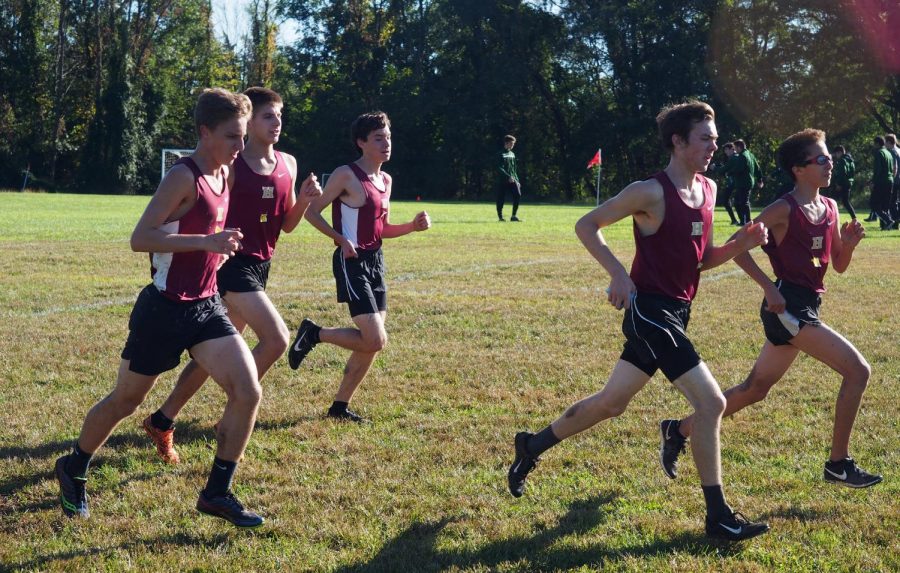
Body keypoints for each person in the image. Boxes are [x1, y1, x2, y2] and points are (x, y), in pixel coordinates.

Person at [506, 101, 770, 542]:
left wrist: (741, 243)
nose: (714, 145)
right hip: (649, 311)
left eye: (715, 138)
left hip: (678, 312)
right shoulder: (650, 191)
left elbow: (702, 262)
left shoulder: (708, 189)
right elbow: (587, 224)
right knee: (711, 404)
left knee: (611, 403)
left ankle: (530, 446)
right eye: (705, 138)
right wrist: (618, 274)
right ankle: (719, 516)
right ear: (678, 141)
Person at [55, 88, 267, 527]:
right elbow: (141, 238)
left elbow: (200, 231)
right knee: (126, 402)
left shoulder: (225, 173)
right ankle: (74, 465)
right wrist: (205, 242)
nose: (240, 147)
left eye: (243, 136)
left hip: (206, 306)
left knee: (248, 391)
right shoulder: (182, 176)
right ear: (205, 132)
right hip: (164, 309)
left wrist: (217, 248)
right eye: (232, 137)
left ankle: (216, 492)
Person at [660, 129, 882, 490]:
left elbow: (838, 265)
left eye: (830, 159)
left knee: (755, 389)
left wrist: (851, 244)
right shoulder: (783, 208)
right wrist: (766, 286)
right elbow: (738, 245)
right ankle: (838, 464)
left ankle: (678, 429)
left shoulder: (829, 207)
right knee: (858, 370)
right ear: (799, 169)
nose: (830, 165)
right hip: (786, 307)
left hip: (806, 305)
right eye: (822, 159)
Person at [142, 87, 322, 465]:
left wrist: (304, 199)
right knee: (276, 339)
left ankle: (163, 419)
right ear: (248, 122)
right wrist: (207, 244)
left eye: (280, 115)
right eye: (268, 116)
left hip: (261, 264)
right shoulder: (230, 165)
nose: (277, 123)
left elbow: (286, 226)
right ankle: (238, 403)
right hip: (230, 265)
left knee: (218, 350)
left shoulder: (288, 163)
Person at [287, 111, 431, 422]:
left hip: (376, 261)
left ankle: (339, 407)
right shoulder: (346, 174)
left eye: (388, 137)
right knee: (376, 338)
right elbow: (312, 213)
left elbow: (383, 228)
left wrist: (412, 226)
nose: (386, 143)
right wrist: (340, 239)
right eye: (379, 138)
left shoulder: (386, 180)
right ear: (361, 142)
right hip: (351, 261)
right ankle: (314, 334)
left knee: (372, 343)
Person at [728, 139, 763, 225]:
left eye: (735, 148)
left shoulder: (742, 156)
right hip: (749, 182)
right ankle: (743, 221)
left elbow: (738, 169)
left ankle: (747, 221)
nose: (735, 150)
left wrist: (729, 172)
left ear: (739, 147)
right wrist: (759, 179)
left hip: (743, 182)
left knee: (744, 202)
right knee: (739, 201)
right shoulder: (750, 154)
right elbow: (757, 168)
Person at [871, 136, 896, 230]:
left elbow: (878, 170)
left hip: (881, 181)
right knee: (885, 205)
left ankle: (888, 220)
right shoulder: (888, 152)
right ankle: (886, 226)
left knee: (874, 204)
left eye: (874, 143)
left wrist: (873, 181)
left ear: (877, 143)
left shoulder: (879, 153)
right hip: (890, 181)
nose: (873, 145)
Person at [497, 135, 522, 222]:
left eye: (513, 144)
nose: (512, 145)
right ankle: (500, 217)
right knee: (501, 198)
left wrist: (517, 180)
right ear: (506, 143)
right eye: (511, 143)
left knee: (518, 194)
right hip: (503, 180)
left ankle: (513, 216)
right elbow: (499, 167)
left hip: (513, 179)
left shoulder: (512, 154)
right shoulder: (500, 154)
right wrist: (508, 176)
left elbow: (514, 169)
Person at [831, 145, 857, 219]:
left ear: (840, 152)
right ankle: (854, 217)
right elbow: (852, 172)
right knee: (845, 202)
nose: (836, 156)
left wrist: (838, 184)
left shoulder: (842, 160)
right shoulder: (850, 160)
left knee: (833, 200)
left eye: (836, 154)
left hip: (842, 183)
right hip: (849, 183)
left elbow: (842, 173)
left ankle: (831, 217)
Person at [718, 142, 740, 225]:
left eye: (727, 149)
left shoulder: (734, 158)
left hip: (734, 183)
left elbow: (724, 169)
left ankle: (737, 220)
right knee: (728, 201)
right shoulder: (734, 157)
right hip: (733, 183)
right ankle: (736, 220)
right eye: (725, 150)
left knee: (730, 201)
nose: (725, 152)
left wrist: (715, 168)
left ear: (732, 149)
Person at [885, 134, 900, 221]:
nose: (884, 144)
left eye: (885, 142)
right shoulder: (899, 150)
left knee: (892, 202)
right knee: (896, 201)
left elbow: (895, 167)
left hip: (895, 180)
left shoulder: (892, 152)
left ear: (889, 142)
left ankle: (895, 221)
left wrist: (892, 180)